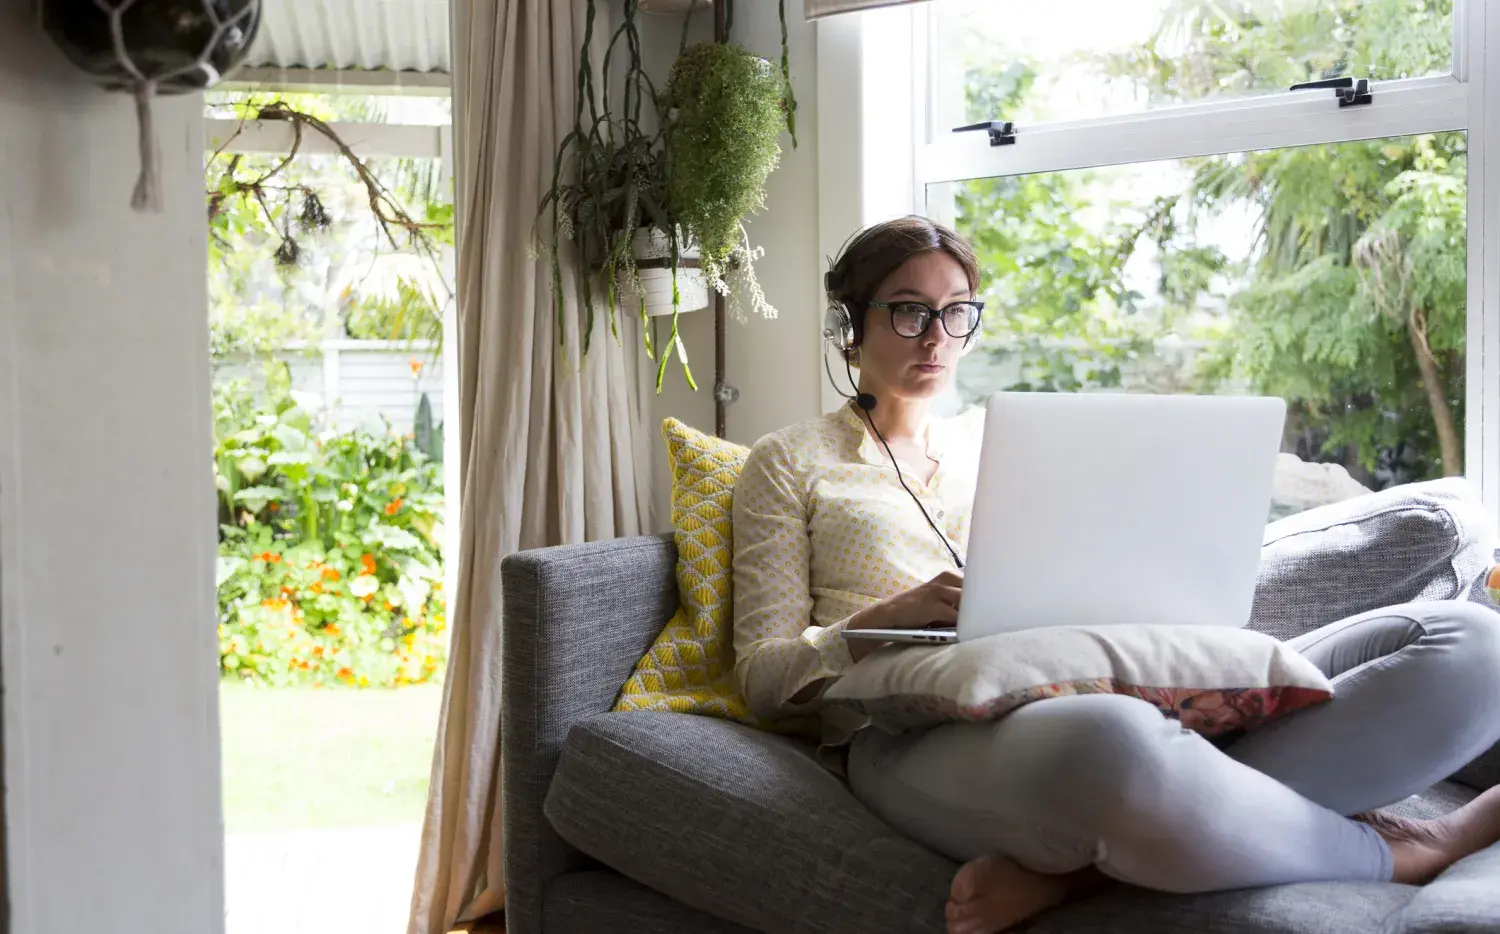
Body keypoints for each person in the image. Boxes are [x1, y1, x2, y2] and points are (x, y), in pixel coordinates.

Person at [730, 215, 1500, 934]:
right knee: (1118, 743)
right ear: (849, 325)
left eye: (957, 311)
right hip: (915, 728)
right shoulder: (790, 462)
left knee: (1469, 645)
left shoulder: (1007, 443)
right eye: (909, 311)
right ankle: (1407, 849)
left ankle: (1085, 875)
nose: (937, 337)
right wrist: (888, 617)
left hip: (1097, 675)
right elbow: (763, 680)